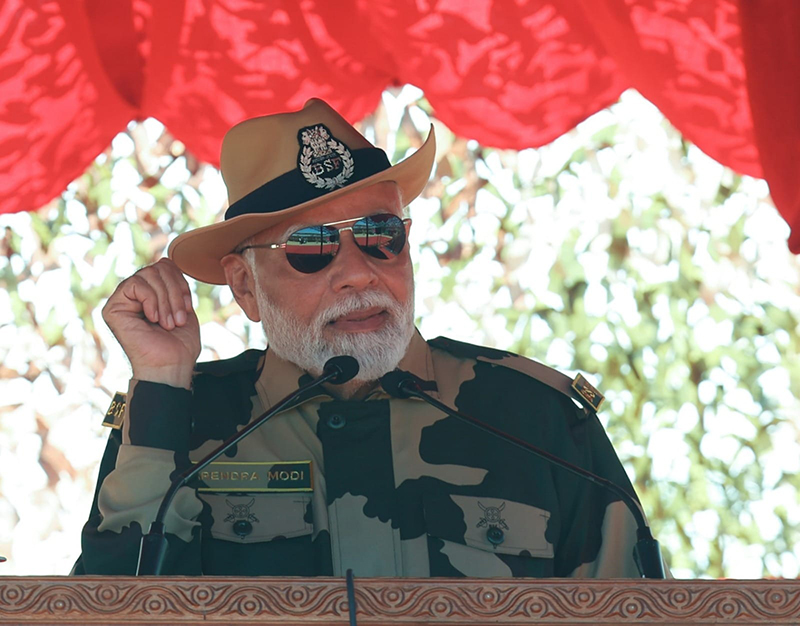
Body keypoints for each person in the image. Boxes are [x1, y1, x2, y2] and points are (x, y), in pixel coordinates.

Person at [73, 98, 647, 577]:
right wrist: (161, 382)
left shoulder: (537, 419)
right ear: (245, 286)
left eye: (380, 235)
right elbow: (114, 608)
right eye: (311, 247)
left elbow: (636, 611)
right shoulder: (180, 418)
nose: (357, 273)